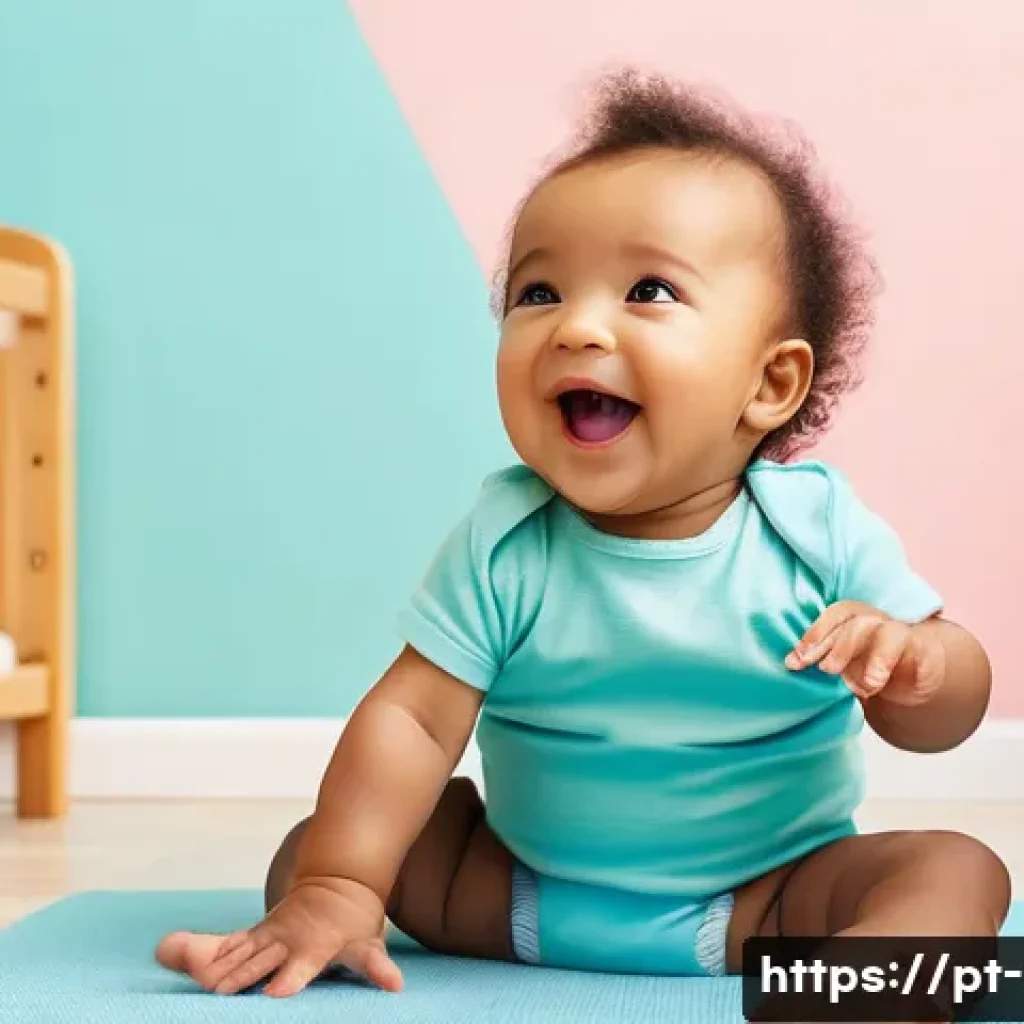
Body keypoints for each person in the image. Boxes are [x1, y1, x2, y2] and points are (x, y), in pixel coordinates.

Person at [156, 69, 1009, 1000]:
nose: (575, 327)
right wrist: (341, 884)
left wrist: (919, 664)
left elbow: (949, 713)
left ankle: (852, 994)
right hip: (510, 894)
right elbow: (413, 719)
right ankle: (329, 908)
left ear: (770, 384)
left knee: (957, 869)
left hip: (767, 905)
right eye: (538, 292)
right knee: (322, 851)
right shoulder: (506, 543)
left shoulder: (817, 533)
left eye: (648, 289)